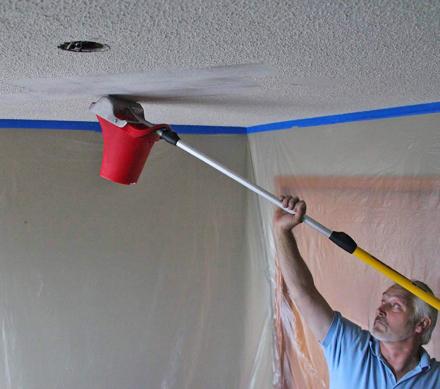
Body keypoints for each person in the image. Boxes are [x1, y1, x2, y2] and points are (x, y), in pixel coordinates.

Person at [273, 195, 439, 389]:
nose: (381, 309)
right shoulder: (348, 345)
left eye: (395, 305)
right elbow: (303, 293)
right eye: (383, 300)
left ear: (421, 324)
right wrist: (281, 230)